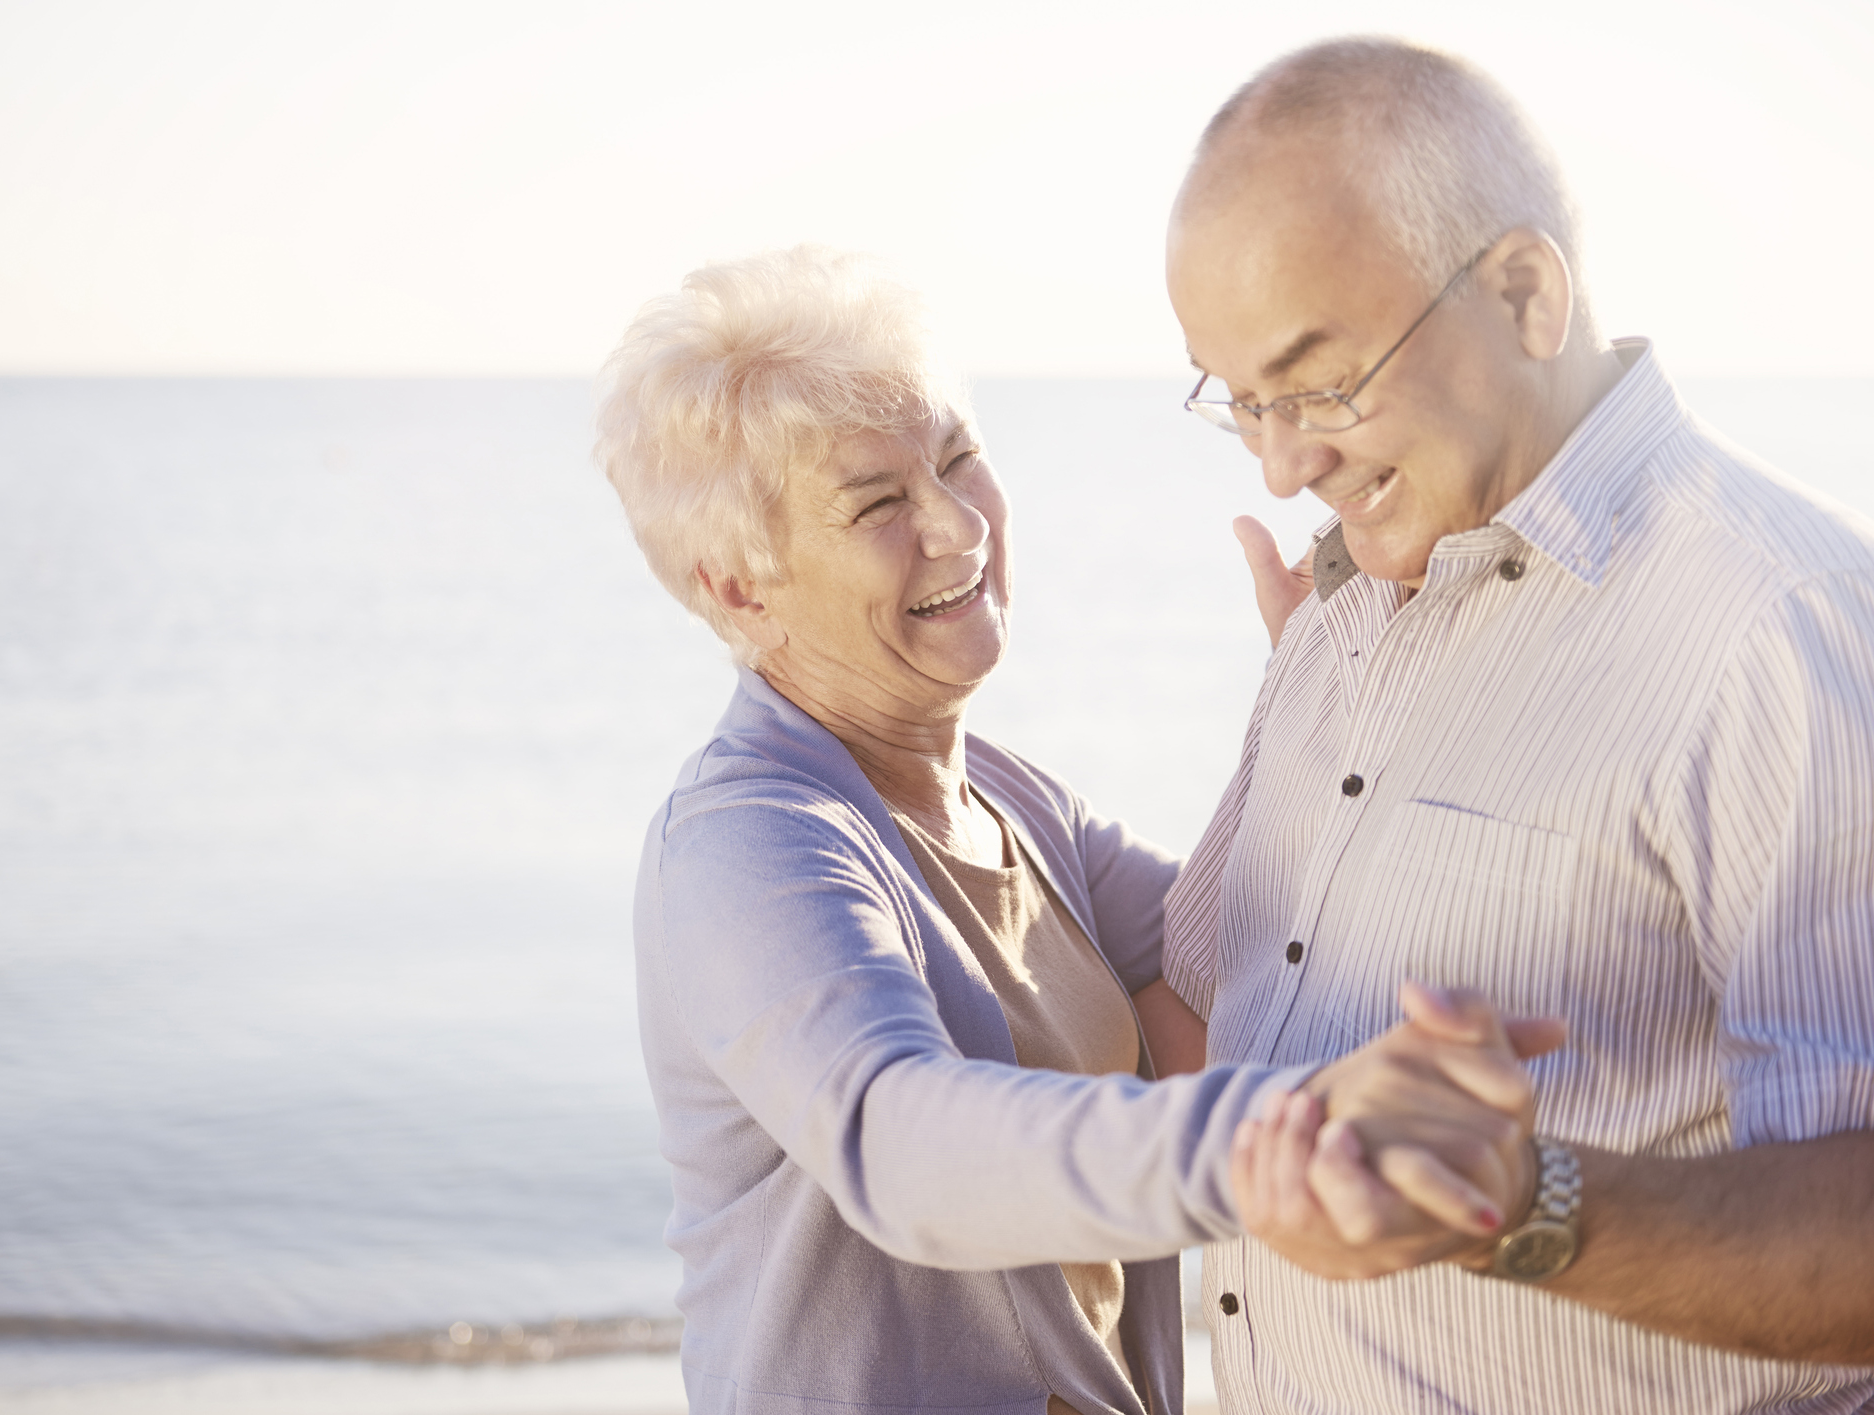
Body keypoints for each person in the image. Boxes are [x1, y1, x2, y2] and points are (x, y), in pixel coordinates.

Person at [597, 246, 1554, 1415]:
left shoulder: (1016, 801)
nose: (956, 526)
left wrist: (1322, 690)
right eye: (878, 503)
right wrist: (1275, 1143)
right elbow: (904, 1145)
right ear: (740, 587)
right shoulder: (748, 841)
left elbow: (1271, 975)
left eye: (958, 461)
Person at [1160, 36, 1874, 1412]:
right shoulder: (1342, 599)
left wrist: (1511, 1201)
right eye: (1236, 398)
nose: (1279, 460)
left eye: (1312, 383)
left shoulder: (1780, 630)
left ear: (1523, 292)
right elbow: (1202, 1004)